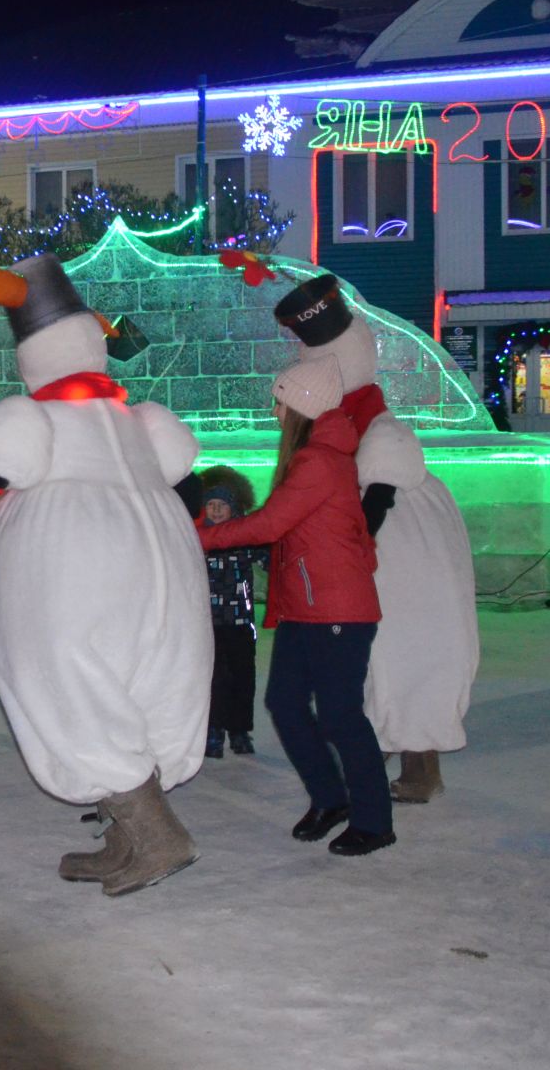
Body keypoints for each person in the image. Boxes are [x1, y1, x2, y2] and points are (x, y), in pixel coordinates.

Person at [0, 256, 211, 898]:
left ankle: (157, 834)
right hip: (159, 550)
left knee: (66, 675)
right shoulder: (138, 417)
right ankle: (127, 835)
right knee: (146, 674)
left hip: (71, 553)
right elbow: (188, 481)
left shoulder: (32, 415)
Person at [273, 274, 479, 805]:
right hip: (361, 551)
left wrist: (355, 547)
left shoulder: (382, 433)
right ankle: (374, 746)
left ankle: (418, 759)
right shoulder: (334, 424)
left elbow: (377, 501)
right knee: (360, 661)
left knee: (407, 650)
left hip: (396, 555)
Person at [198, 357, 395, 857]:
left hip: (336, 609)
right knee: (284, 703)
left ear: (302, 406)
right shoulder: (316, 455)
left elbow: (267, 526)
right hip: (305, 606)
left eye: (280, 400)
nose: (274, 410)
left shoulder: (319, 461)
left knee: (340, 716)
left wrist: (198, 535)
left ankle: (374, 821)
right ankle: (331, 798)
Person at [198, 466, 263, 758]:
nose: (216, 509)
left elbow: (270, 556)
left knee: (242, 675)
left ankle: (239, 730)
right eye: (211, 504)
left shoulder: (247, 537)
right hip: (208, 622)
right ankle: (214, 730)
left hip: (239, 620)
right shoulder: (197, 538)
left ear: (233, 507)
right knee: (213, 677)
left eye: (222, 505)